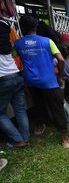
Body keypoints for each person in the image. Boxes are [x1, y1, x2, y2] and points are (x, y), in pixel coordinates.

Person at [14, 15, 69, 148]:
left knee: (38, 104)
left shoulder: (17, 44)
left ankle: (40, 126)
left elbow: (15, 61)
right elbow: (61, 59)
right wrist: (59, 75)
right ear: (36, 27)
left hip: (30, 81)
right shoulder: (47, 42)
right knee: (57, 107)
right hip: (48, 80)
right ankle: (64, 138)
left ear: (22, 28)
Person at [0, 19, 29, 147]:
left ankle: (18, 139)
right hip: (16, 75)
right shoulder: (7, 47)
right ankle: (25, 137)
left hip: (3, 80)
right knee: (20, 109)